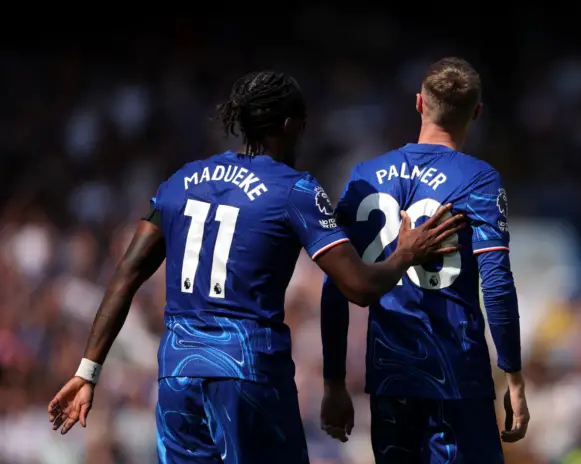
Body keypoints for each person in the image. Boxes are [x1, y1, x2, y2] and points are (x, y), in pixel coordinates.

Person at [47, 70, 464, 464]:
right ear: (289, 125)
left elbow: (127, 273)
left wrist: (88, 371)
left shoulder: (181, 180)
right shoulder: (293, 189)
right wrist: (406, 253)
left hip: (178, 374)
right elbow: (358, 287)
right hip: (247, 372)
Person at [320, 57, 530, 463]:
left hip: (390, 376)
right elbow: (497, 281)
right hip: (456, 376)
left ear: (419, 103)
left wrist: (334, 381)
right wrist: (515, 376)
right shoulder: (478, 178)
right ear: (477, 113)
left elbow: (337, 281)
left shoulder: (364, 174)